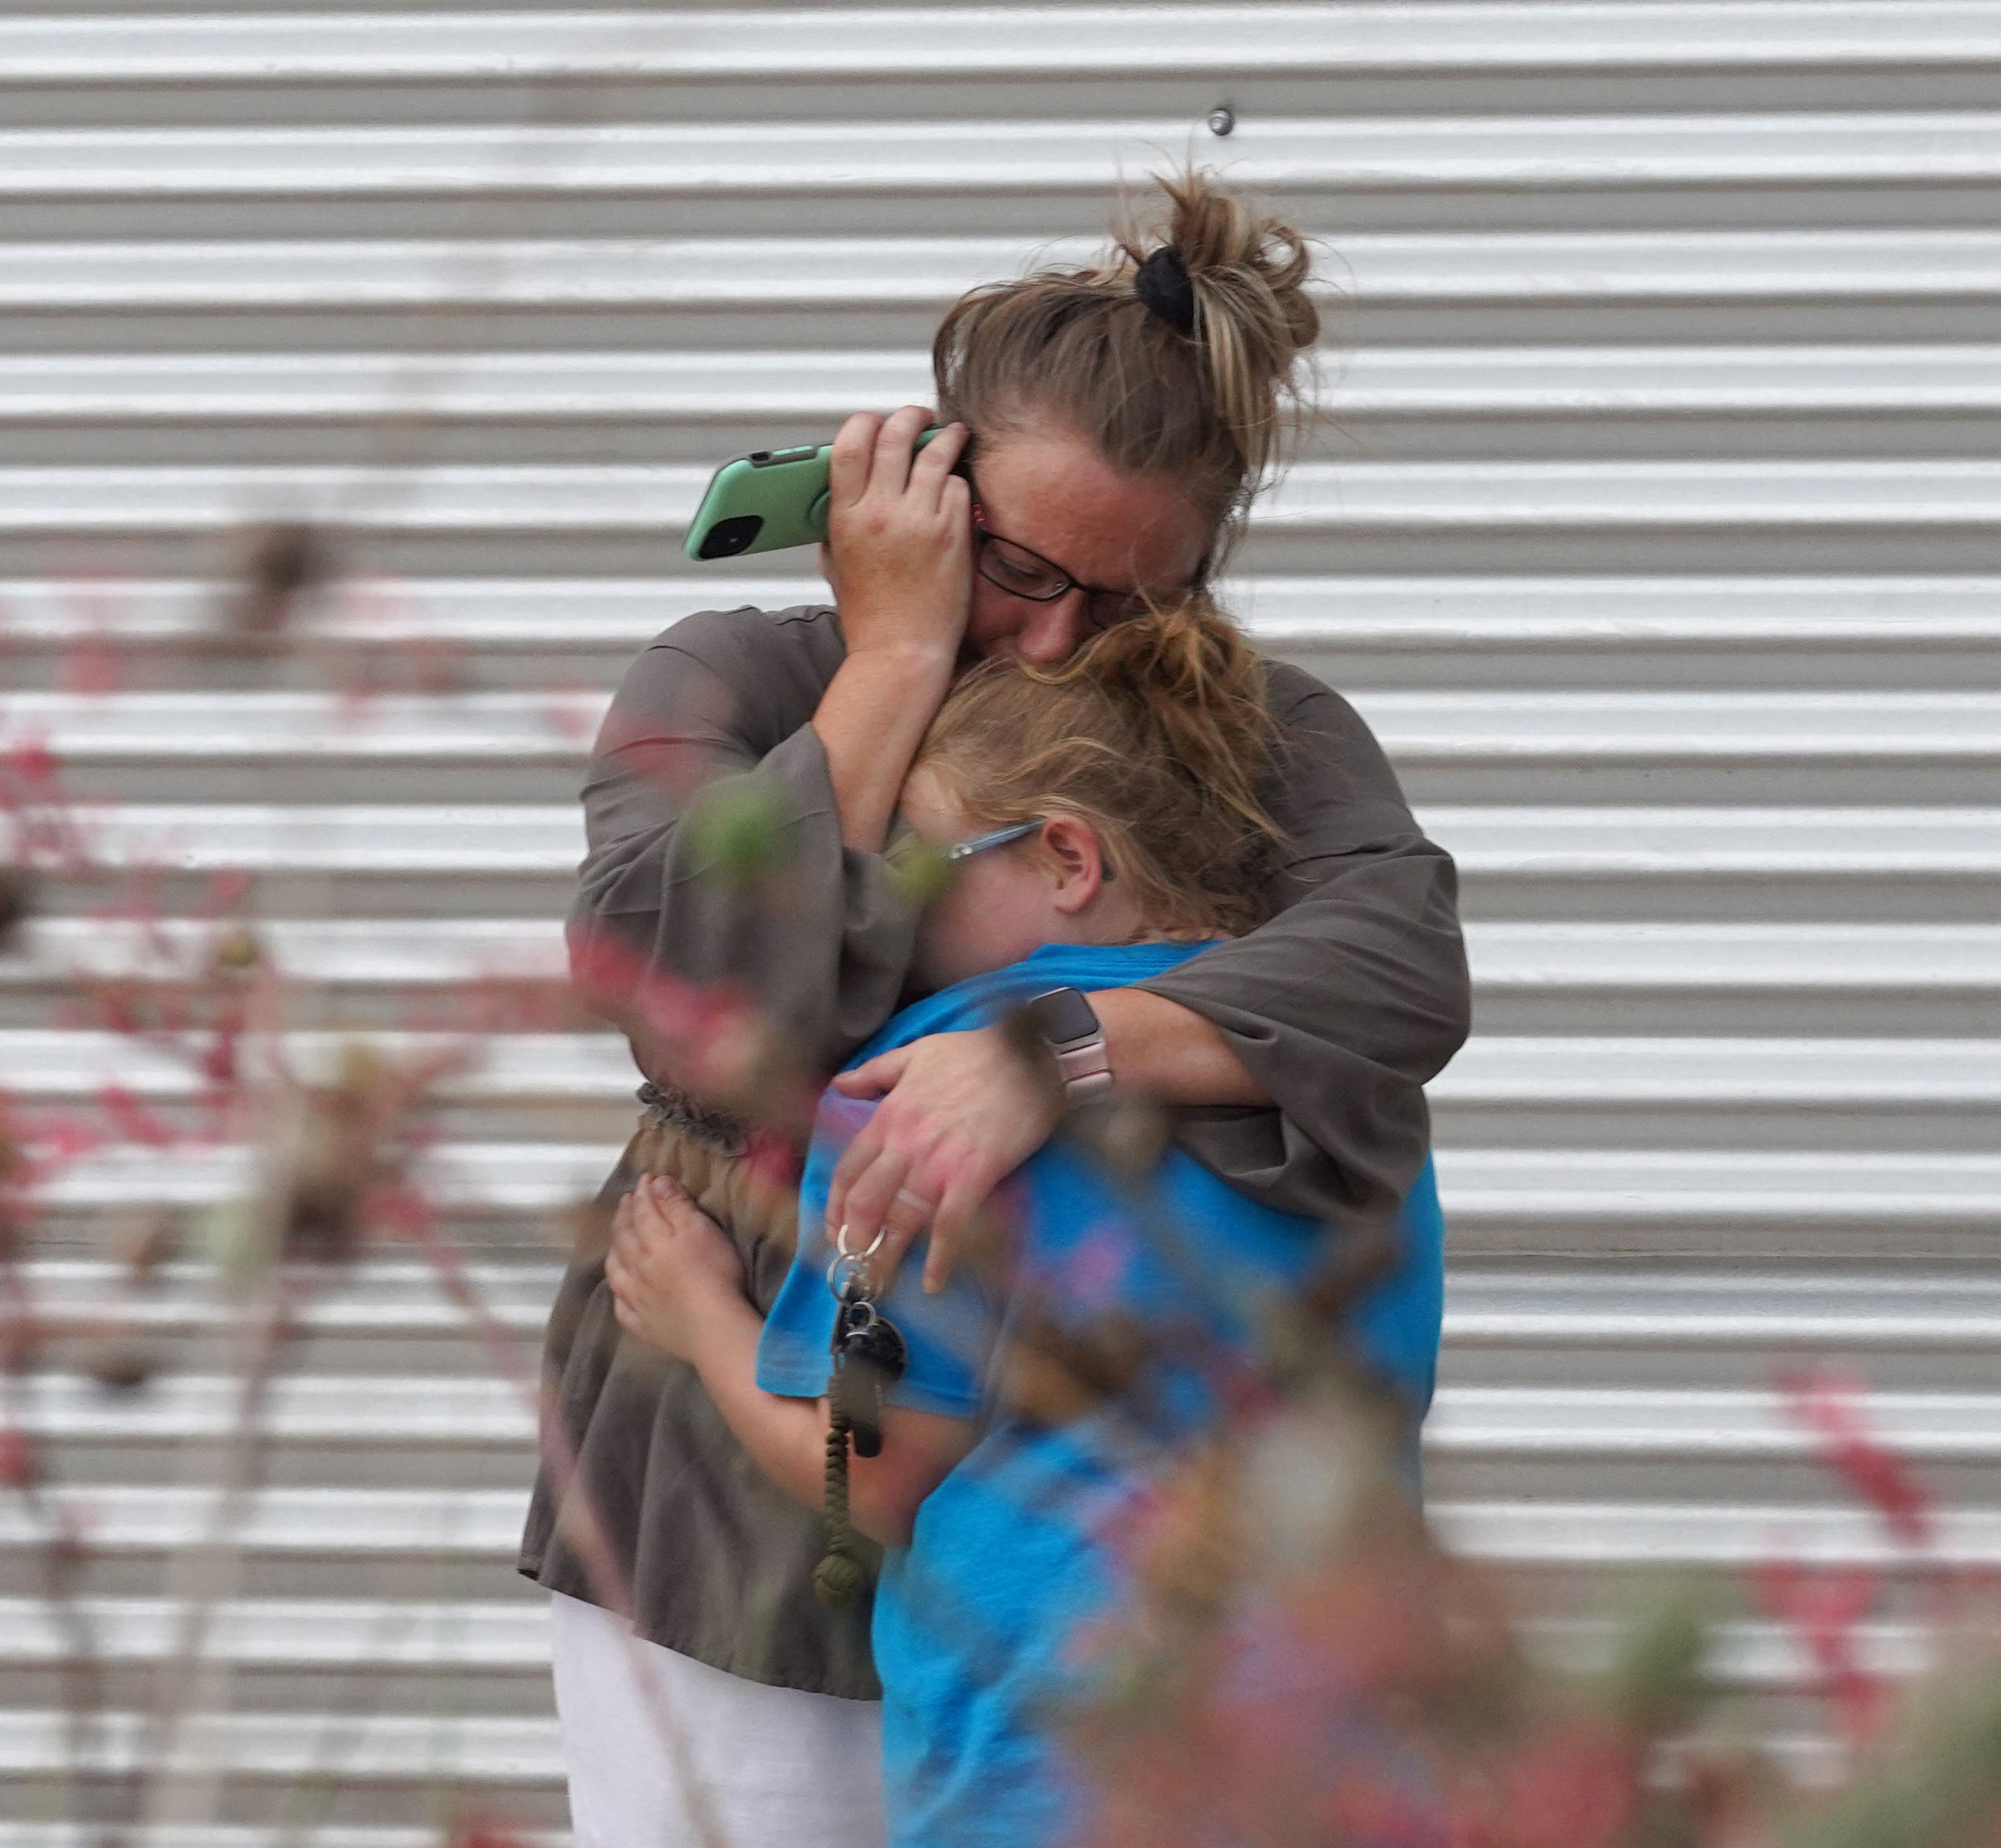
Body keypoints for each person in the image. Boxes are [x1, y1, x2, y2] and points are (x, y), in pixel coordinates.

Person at [522, 168, 1469, 1848]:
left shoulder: (1249, 733)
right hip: (746, 1511)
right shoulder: (732, 679)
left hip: (1092, 1568)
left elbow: (1396, 954)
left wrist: (1059, 1050)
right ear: (926, 484)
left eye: (1131, 600)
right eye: (1019, 569)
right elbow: (682, 1000)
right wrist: (887, 665)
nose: (1049, 647)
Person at [603, 611, 1445, 1848]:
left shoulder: (928, 1082)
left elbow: (878, 1477)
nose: (888, 921)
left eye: (919, 871)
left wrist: (701, 1319)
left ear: (1063, 858)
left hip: (1052, 1779)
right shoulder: (1345, 1078)